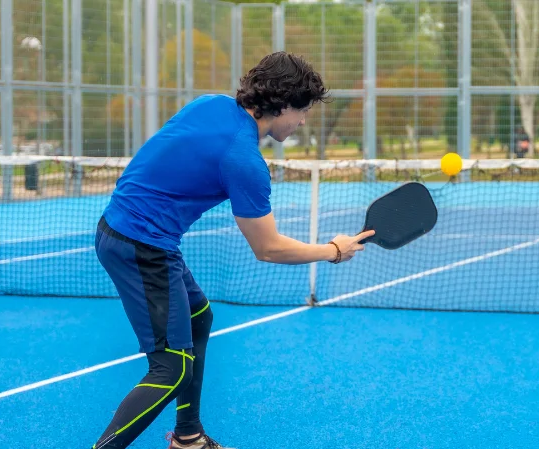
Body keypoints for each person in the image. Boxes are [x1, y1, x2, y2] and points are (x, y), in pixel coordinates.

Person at [91, 51, 374, 449]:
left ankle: (187, 437)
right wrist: (333, 250)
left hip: (120, 229)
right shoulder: (244, 159)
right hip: (141, 247)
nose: (303, 121)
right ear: (283, 105)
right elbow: (269, 248)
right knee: (171, 369)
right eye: (303, 111)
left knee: (198, 318)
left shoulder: (210, 104)